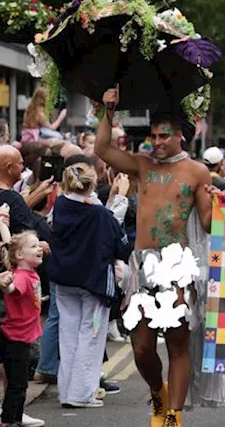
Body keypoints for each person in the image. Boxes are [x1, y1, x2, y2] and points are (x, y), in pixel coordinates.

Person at [95, 88, 213, 427]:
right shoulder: (142, 165)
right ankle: (158, 395)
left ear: (181, 137)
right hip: (142, 265)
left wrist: (217, 202)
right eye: (154, 135)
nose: (157, 141)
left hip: (177, 267)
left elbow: (206, 223)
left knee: (177, 345)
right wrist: (108, 111)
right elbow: (101, 149)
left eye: (165, 135)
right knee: (142, 348)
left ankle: (173, 415)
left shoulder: (197, 172)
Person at [46, 157, 131, 412]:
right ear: (92, 183)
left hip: (64, 280)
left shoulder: (61, 205)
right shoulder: (96, 213)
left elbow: (94, 213)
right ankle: (82, 393)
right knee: (91, 336)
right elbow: (116, 238)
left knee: (68, 334)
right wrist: (121, 199)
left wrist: (111, 199)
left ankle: (68, 390)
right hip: (93, 283)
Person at [1, 228, 45, 427]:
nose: (39, 248)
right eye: (33, 246)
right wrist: (6, 285)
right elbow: (12, 288)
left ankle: (14, 419)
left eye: (39, 244)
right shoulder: (21, 276)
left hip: (22, 335)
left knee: (18, 382)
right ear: (19, 255)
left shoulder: (31, 274)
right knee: (17, 383)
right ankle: (10, 420)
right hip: (14, 336)